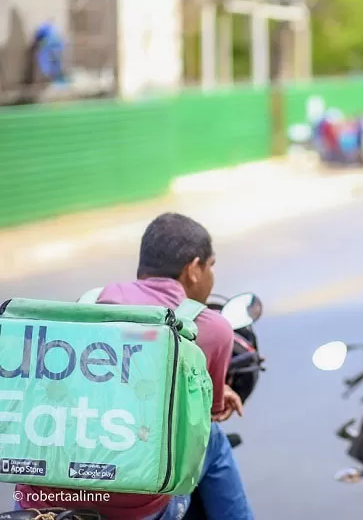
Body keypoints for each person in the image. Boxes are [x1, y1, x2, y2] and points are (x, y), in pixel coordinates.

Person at [15, 213, 254, 520]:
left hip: (41, 501)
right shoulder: (209, 326)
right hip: (134, 511)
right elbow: (206, 412)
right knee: (212, 436)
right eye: (211, 265)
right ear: (193, 269)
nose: (211, 275)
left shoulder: (86, 305)